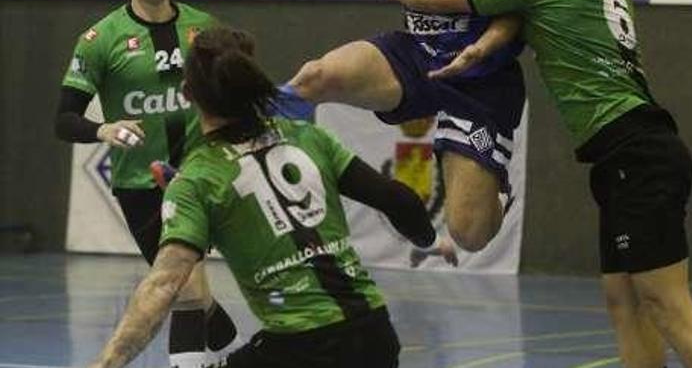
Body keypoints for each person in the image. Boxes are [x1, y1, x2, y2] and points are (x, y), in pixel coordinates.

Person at [361, 0, 692, 368]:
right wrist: (487, 45)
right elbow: (530, 21)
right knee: (624, 304)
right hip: (624, 155)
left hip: (637, 154)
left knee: (669, 306)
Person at [86, 27, 453, 368]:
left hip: (299, 349)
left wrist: (105, 363)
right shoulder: (309, 137)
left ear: (187, 93)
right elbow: (396, 199)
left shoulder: (199, 178)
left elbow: (164, 284)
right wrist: (431, 239)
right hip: (375, 335)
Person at [283, 0, 537, 252]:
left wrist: (483, 47)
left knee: (470, 234)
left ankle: (496, 196)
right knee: (316, 77)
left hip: (481, 78)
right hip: (417, 57)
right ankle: (234, 148)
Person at [55, 0, 237, 366]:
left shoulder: (204, 29)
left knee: (181, 284)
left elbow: (231, 96)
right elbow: (64, 119)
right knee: (187, 285)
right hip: (141, 184)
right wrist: (103, 130)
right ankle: (215, 321)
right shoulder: (101, 40)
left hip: (199, 178)